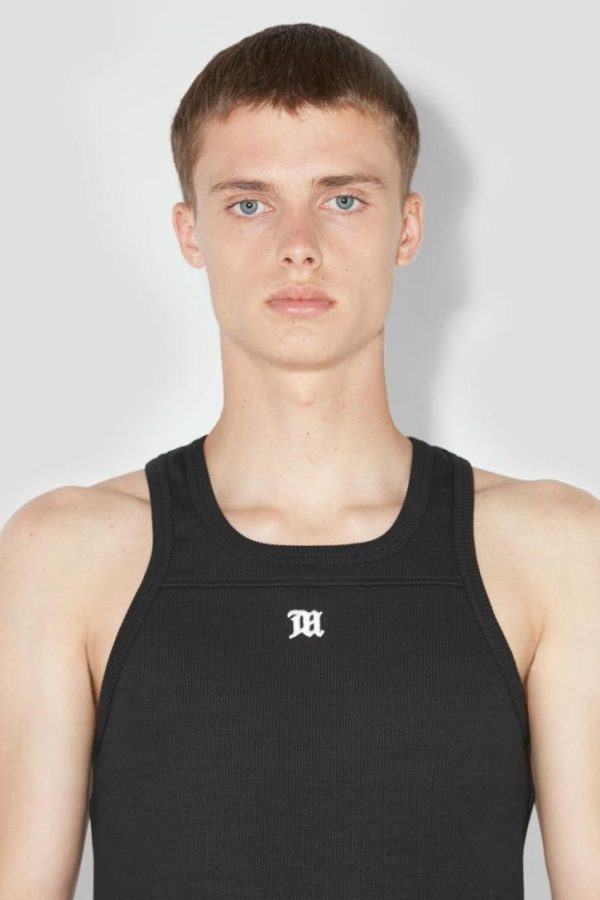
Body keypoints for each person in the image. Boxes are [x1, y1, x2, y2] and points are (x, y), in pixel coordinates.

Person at [0, 21, 599, 900]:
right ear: (190, 232)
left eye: (343, 199)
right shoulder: (67, 554)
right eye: (248, 204)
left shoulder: (554, 551)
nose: (298, 244)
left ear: (407, 227)